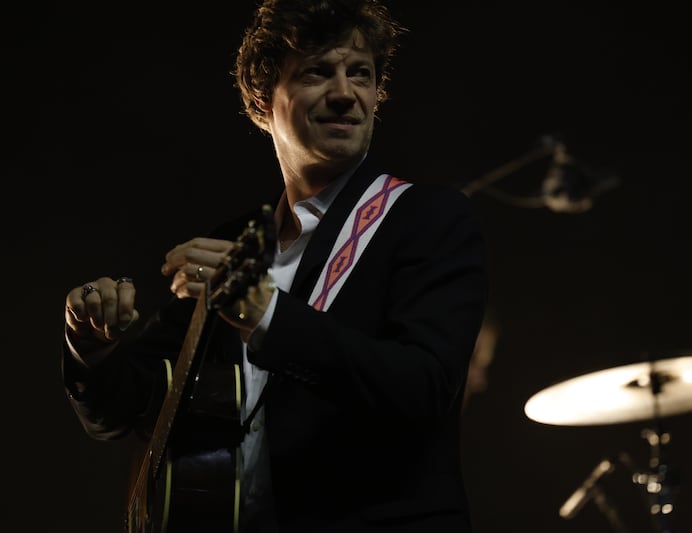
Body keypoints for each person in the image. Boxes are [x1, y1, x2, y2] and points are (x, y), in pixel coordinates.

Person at [61, 1, 489, 532]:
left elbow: (424, 389)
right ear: (262, 102)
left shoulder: (427, 217)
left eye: (361, 74)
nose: (344, 93)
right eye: (317, 72)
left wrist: (265, 313)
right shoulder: (234, 244)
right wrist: (90, 346)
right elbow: (130, 410)